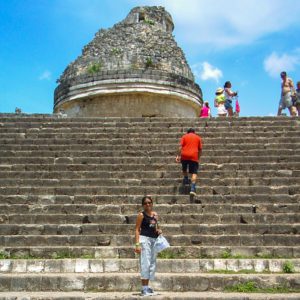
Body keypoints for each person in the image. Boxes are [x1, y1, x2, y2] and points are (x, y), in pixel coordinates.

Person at [135, 196, 162, 297]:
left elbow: (156, 227)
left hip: (154, 240)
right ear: (143, 205)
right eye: (145, 203)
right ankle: (144, 289)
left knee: (152, 263)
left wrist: (159, 230)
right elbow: (137, 229)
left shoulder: (155, 215)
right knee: (145, 263)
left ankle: (147, 287)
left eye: (149, 202)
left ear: (152, 203)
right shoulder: (141, 215)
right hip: (144, 240)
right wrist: (137, 244)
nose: (148, 205)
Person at [175, 128, 203, 196]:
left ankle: (186, 179)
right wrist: (198, 158)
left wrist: (178, 156)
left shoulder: (184, 136)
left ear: (188, 132)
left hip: (184, 155)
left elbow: (180, 147)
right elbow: (200, 150)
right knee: (194, 172)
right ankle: (192, 189)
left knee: (184, 168)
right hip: (194, 156)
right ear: (194, 132)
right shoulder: (198, 137)